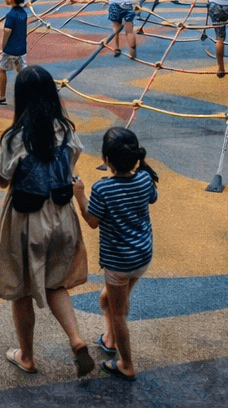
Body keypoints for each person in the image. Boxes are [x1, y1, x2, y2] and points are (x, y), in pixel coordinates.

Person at [0, 66, 95, 379]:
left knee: (21, 289)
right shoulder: (67, 131)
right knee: (55, 283)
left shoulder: (14, 139)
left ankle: (28, 356)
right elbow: (68, 165)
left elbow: (3, 181)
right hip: (62, 216)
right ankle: (76, 340)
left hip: (26, 219)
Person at [75, 126, 158, 381]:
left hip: (118, 261)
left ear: (106, 160)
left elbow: (92, 220)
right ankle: (110, 340)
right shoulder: (144, 178)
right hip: (142, 255)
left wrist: (79, 195)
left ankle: (127, 363)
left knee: (118, 311)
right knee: (109, 301)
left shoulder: (103, 188)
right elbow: (152, 198)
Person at [0, 0, 28, 107]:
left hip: (10, 49)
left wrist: (2, 47)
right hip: (22, 48)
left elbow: (7, 31)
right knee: (21, 70)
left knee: (2, 69)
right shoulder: (23, 13)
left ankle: (2, 97)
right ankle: (30, 94)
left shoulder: (10, 15)